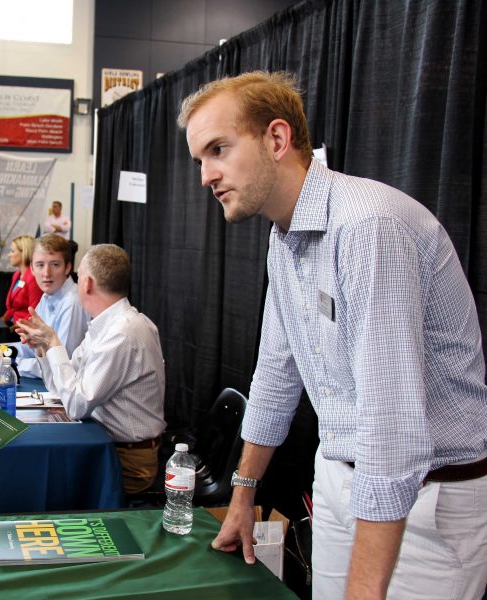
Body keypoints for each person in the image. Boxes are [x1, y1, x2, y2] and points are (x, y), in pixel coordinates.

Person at [179, 71, 487, 599]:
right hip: (340, 483)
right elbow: (276, 375)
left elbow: (393, 430)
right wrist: (242, 492)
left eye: (218, 150)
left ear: (276, 139)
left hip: (424, 501)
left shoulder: (367, 227)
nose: (206, 175)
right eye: (200, 159)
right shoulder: (284, 238)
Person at [15, 244, 166, 494]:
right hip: (110, 446)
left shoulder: (122, 333)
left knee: (38, 483)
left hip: (127, 462)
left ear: (86, 284)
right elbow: (65, 387)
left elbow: (75, 404)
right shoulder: (107, 325)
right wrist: (43, 349)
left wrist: (54, 344)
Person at [0, 234, 88, 379]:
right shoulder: (47, 296)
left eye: (55, 264)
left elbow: (62, 366)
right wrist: (3, 351)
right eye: (40, 265)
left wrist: (7, 363)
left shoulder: (72, 302)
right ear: (32, 268)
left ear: (67, 268)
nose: (46, 273)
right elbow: (31, 348)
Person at [1, 234, 42, 326]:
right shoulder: (17, 275)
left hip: (23, 331)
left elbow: (34, 311)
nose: (9, 255)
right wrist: (2, 320)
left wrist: (16, 328)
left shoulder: (33, 278)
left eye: (12, 251)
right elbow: (12, 308)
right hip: (12, 325)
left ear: (24, 252)